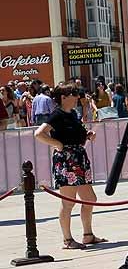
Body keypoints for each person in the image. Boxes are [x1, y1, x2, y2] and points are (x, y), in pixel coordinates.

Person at [34, 83, 106, 249]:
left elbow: (76, 134)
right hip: (66, 161)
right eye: (72, 93)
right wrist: (57, 144)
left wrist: (88, 135)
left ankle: (88, 235)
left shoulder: (73, 114)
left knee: (90, 199)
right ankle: (68, 239)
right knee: (68, 202)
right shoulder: (57, 115)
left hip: (79, 158)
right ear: (63, 97)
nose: (76, 96)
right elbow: (39, 133)